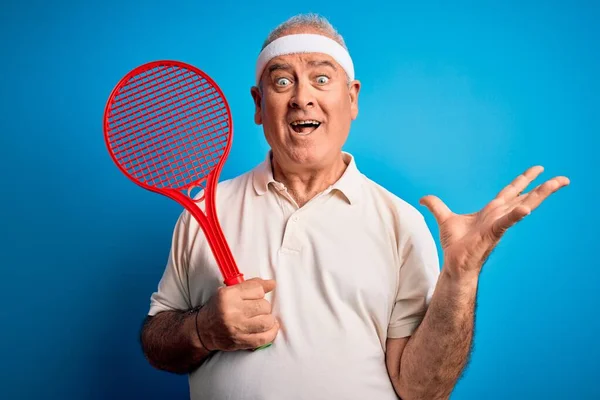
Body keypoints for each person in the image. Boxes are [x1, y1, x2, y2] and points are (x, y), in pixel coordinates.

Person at [140, 13, 569, 400]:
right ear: (258, 104)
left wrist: (461, 277)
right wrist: (202, 329)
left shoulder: (400, 222)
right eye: (282, 81)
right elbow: (158, 340)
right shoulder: (202, 212)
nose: (301, 98)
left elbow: (422, 391)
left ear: (352, 98)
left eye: (321, 79)